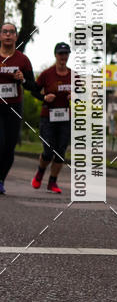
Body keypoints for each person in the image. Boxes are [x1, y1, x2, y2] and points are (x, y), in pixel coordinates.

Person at [0, 21, 39, 194]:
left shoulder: (22, 60)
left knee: (9, 146)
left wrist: (22, 79)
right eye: (4, 32)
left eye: (11, 32)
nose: (8, 35)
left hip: (14, 106)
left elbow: (32, 85)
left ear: (15, 36)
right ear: (0, 36)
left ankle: (1, 180)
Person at [32, 42, 72, 194]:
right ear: (55, 55)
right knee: (48, 151)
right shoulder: (47, 74)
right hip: (48, 117)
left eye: (66, 54)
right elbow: (34, 91)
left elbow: (83, 94)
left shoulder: (73, 75)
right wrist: (44, 97)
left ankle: (52, 182)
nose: (63, 57)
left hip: (65, 119)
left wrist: (76, 96)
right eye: (60, 54)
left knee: (61, 152)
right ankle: (40, 172)